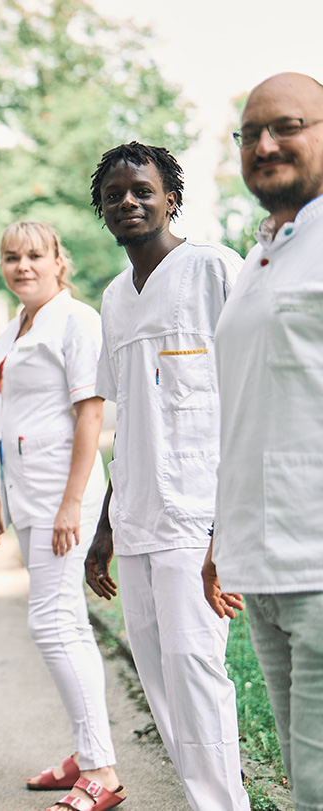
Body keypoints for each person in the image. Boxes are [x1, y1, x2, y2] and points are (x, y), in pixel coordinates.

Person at [84, 142, 248, 811]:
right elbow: (129, 416)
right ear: (102, 209)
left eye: (142, 190)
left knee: (196, 672)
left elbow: (252, 392)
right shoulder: (113, 298)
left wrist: (231, 526)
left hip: (198, 516)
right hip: (137, 519)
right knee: (160, 682)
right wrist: (105, 527)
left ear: (170, 199)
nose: (127, 201)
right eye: (114, 195)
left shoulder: (215, 269)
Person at [204, 72, 323, 811]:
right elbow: (249, 409)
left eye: (288, 126)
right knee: (301, 776)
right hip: (265, 566)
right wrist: (225, 534)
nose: (266, 144)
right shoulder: (261, 255)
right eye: (250, 133)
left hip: (318, 564)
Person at [0, 222, 123, 808]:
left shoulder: (77, 321)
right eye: (11, 257)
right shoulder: (13, 328)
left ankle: (102, 772)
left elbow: (90, 414)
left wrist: (71, 503)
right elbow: (7, 416)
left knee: (55, 623)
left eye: (35, 255)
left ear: (58, 261)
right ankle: (85, 752)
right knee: (61, 623)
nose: (23, 266)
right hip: (26, 496)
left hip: (65, 498)